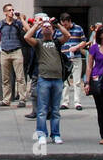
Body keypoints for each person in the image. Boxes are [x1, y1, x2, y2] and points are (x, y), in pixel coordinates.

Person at [24, 16, 70, 145]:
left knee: (55, 110)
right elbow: (27, 37)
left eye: (49, 27)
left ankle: (56, 134)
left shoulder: (56, 42)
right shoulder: (38, 43)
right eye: (45, 27)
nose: (47, 28)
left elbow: (67, 35)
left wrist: (56, 25)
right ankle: (41, 134)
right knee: (42, 110)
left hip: (57, 80)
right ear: (41, 30)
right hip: (43, 79)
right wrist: (37, 25)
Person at [0, 4, 27, 107]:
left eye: (12, 10)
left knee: (20, 77)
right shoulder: (1, 24)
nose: (12, 12)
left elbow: (27, 29)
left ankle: (22, 98)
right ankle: (6, 99)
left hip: (16, 50)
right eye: (9, 10)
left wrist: (21, 18)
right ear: (5, 12)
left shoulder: (17, 23)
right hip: (4, 52)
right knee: (5, 78)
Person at [58, 13, 87, 110]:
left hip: (76, 56)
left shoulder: (78, 28)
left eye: (66, 24)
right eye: (63, 24)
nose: (64, 26)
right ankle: (65, 102)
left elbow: (84, 41)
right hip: (64, 58)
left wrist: (76, 47)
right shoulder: (59, 30)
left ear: (70, 21)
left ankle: (77, 102)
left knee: (77, 81)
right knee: (65, 81)